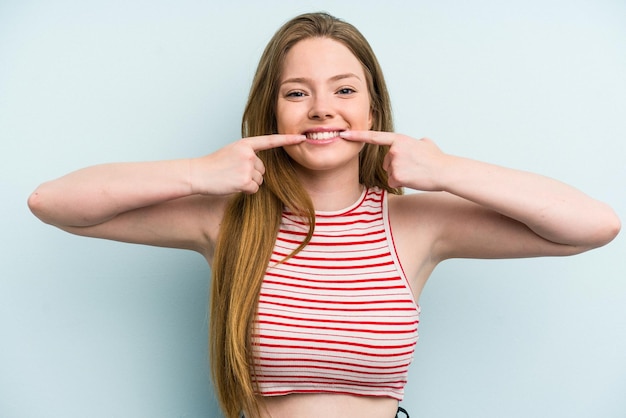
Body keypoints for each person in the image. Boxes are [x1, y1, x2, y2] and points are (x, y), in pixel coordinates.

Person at [28, 11, 620, 418]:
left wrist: (446, 170)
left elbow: (592, 225)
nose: (321, 111)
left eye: (343, 90)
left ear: (371, 104)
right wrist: (196, 174)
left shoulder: (415, 225)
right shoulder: (229, 221)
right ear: (273, 109)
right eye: (296, 92)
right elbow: (53, 203)